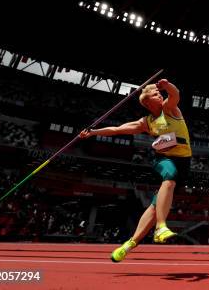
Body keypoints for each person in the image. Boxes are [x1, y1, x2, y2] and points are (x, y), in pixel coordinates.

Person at [79, 78, 191, 262]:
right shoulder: (146, 122)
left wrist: (167, 85)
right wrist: (93, 132)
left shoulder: (170, 109)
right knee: (168, 178)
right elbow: (117, 129)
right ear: (147, 102)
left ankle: (129, 244)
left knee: (156, 206)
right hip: (164, 159)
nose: (159, 95)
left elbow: (175, 94)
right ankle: (161, 227)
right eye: (156, 94)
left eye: (159, 93)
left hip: (184, 162)